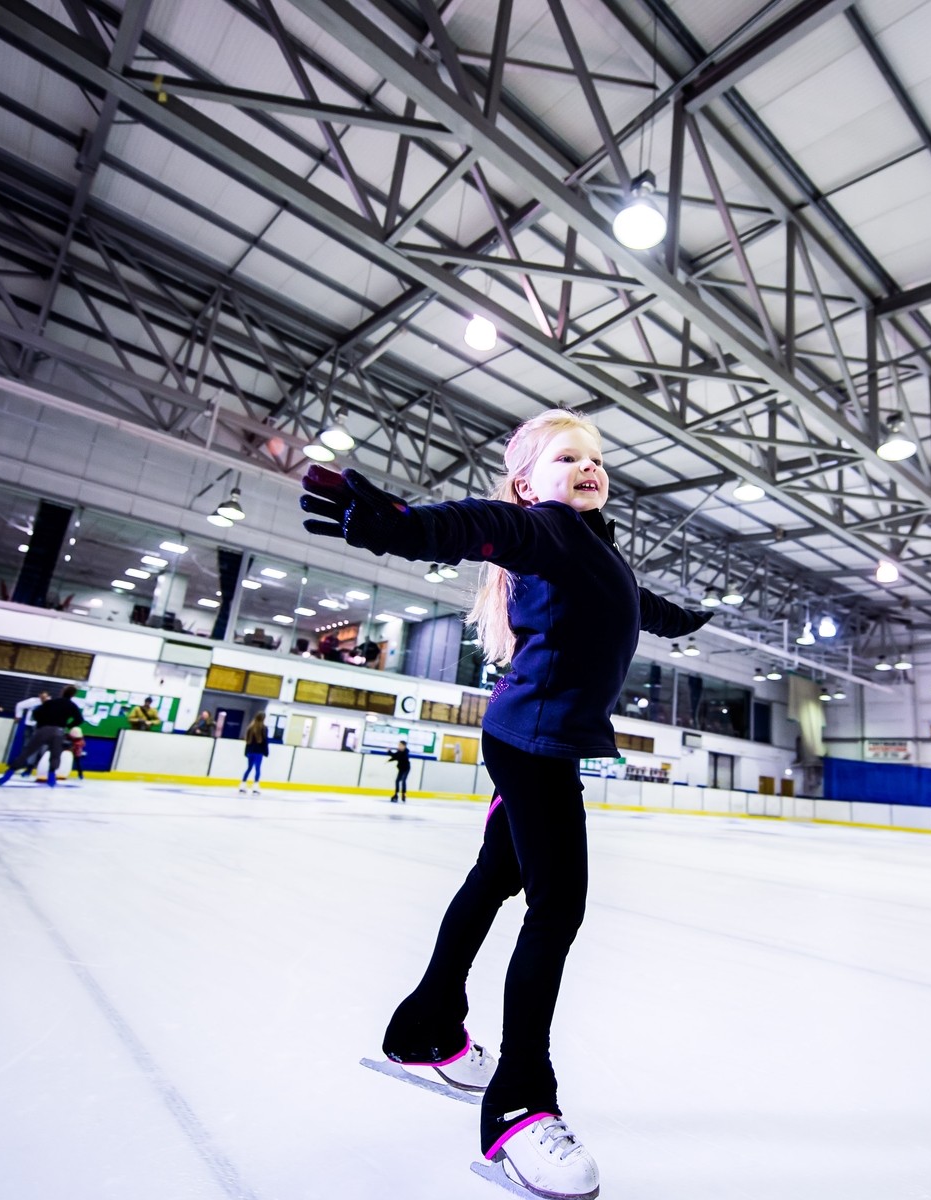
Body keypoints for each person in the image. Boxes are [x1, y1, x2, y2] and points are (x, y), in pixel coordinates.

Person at [301, 408, 711, 1200]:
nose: (588, 467)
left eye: (595, 458)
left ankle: (426, 1027)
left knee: (495, 881)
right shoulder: (548, 530)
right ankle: (521, 1104)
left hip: (532, 738)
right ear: (530, 484)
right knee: (557, 909)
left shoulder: (597, 550)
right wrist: (399, 527)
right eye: (567, 458)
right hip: (533, 748)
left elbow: (637, 601)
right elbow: (482, 526)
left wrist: (680, 618)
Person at [0, 685, 84, 788]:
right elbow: (79, 719)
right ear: (73, 694)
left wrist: (41, 723)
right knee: (55, 755)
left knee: (28, 752)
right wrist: (67, 725)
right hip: (58, 731)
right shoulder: (72, 705)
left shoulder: (50, 702)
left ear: (62, 692)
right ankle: (51, 778)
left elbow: (37, 712)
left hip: (43, 729)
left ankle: (8, 775)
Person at [239, 711, 268, 794]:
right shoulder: (263, 728)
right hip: (258, 752)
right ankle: (255, 787)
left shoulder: (250, 728)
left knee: (249, 768)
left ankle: (242, 785)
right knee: (257, 768)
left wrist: (246, 752)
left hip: (250, 751)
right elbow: (265, 741)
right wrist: (266, 752)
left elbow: (248, 741)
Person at [387, 739, 410, 803]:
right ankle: (396, 794)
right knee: (397, 781)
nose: (398, 746)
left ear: (404, 746)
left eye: (400, 745)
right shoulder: (399, 752)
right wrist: (389, 752)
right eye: (398, 745)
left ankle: (403, 794)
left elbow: (397, 756)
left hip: (406, 768)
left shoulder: (405, 752)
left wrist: (391, 755)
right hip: (401, 768)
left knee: (403, 780)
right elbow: (395, 756)